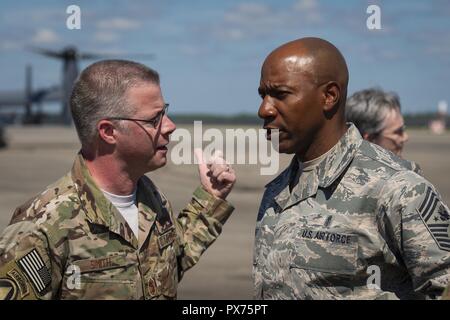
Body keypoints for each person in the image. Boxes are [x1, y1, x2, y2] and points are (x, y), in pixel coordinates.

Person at [0, 60, 236, 300]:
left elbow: (169, 264)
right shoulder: (41, 228)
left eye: (165, 112)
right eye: (154, 119)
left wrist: (211, 198)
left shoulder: (151, 200)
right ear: (109, 132)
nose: (170, 126)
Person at [253, 37, 450, 300]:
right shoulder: (277, 192)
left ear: (329, 96)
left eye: (280, 95)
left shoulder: (396, 189)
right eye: (263, 95)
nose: (264, 109)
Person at [346, 88, 421, 173]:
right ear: (370, 139)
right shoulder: (400, 181)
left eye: (403, 129)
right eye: (398, 132)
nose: (405, 137)